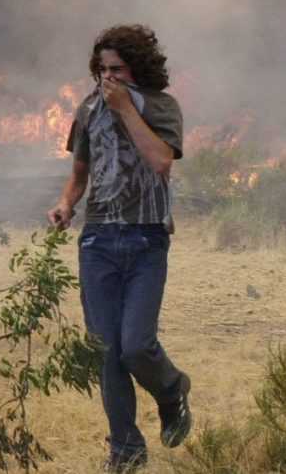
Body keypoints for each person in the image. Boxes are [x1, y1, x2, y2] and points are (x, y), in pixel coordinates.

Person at [47, 25, 191, 471]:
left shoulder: (161, 106)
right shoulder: (88, 109)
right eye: (102, 70)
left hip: (147, 237)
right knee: (105, 351)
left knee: (135, 345)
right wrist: (66, 204)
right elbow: (80, 172)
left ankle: (171, 391)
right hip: (99, 241)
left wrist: (126, 108)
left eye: (118, 69)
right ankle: (125, 451)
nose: (108, 78)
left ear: (137, 68)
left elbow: (162, 161)